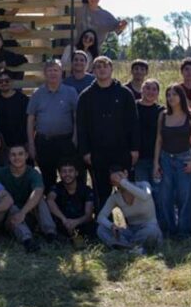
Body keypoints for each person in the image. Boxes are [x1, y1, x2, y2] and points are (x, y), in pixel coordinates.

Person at [77, 56, 140, 209]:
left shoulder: (125, 93)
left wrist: (134, 149)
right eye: (98, 67)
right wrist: (85, 152)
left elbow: (133, 123)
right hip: (97, 154)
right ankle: (104, 223)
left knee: (127, 192)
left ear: (111, 69)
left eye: (105, 66)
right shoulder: (86, 96)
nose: (102, 69)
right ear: (93, 71)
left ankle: (132, 222)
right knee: (102, 195)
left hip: (122, 152)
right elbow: (81, 126)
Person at [153, 84, 191, 239]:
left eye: (174, 94)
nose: (171, 97)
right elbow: (159, 140)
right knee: (165, 196)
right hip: (165, 159)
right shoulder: (163, 115)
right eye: (168, 95)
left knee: (185, 196)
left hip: (184, 159)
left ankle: (184, 231)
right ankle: (169, 230)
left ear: (181, 96)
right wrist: (156, 163)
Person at [0, 144, 57, 252]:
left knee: (39, 199)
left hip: (28, 214)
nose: (17, 158)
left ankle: (50, 234)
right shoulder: (0, 172)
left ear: (26, 156)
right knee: (11, 206)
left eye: (20, 154)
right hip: (11, 220)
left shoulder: (33, 173)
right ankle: (27, 240)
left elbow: (38, 191)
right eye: (13, 155)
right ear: (9, 157)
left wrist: (23, 212)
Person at [27, 60, 78, 191]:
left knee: (68, 176)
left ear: (61, 73)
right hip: (44, 142)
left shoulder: (71, 92)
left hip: (65, 142)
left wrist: (75, 137)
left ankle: (67, 202)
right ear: (45, 74)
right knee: (47, 178)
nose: (53, 73)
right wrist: (31, 144)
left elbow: (76, 117)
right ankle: (50, 202)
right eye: (49, 70)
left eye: (56, 70)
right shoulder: (37, 93)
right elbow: (30, 119)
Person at [96, 167, 162, 253]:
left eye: (119, 176)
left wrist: (123, 182)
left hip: (148, 227)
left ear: (126, 173)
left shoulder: (144, 185)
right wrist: (111, 226)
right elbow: (100, 217)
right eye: (114, 180)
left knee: (152, 231)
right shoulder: (115, 197)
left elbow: (146, 196)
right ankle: (132, 249)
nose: (118, 181)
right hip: (131, 231)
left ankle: (126, 248)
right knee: (101, 229)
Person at [134, 78, 166, 229]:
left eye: (154, 89)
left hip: (157, 159)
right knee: (143, 195)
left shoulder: (161, 111)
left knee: (158, 194)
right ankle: (145, 226)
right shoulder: (133, 107)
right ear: (141, 90)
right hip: (138, 160)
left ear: (158, 93)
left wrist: (158, 161)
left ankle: (161, 226)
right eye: (147, 88)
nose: (150, 92)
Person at [47, 157, 96, 246]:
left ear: (76, 173)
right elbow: (50, 200)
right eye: (64, 171)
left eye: (70, 171)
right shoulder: (56, 188)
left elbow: (88, 215)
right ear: (60, 174)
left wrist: (75, 222)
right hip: (63, 223)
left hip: (81, 223)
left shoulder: (86, 190)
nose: (67, 174)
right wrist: (64, 220)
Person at [0, 69, 29, 149]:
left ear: (12, 82)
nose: (4, 83)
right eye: (0, 81)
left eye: (7, 81)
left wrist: (28, 141)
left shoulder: (23, 99)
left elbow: (29, 121)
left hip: (20, 143)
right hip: (1, 144)